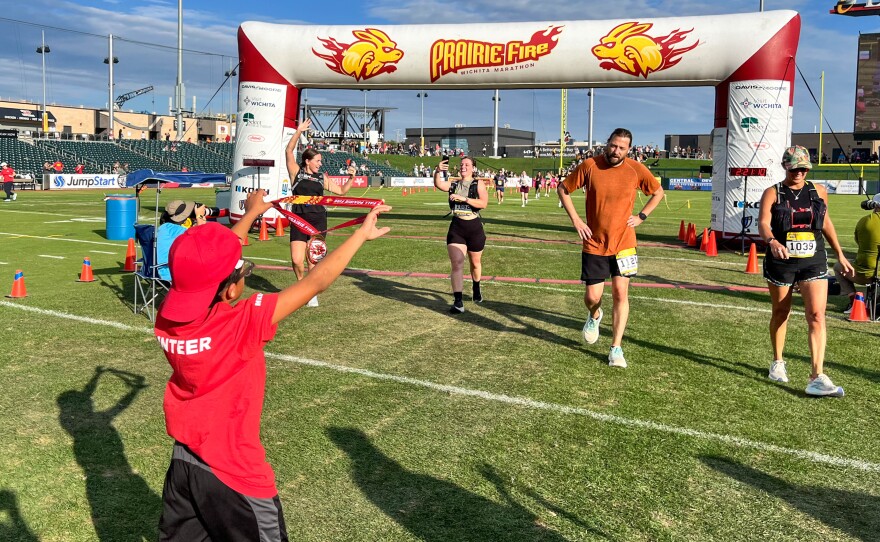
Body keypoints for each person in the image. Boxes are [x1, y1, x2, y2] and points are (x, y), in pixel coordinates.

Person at [155, 189, 390, 540]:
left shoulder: (168, 321)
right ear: (232, 290)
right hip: (234, 474)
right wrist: (360, 233)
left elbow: (207, 265)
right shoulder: (242, 323)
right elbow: (315, 281)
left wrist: (250, 213)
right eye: (243, 271)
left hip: (184, 464)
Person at [557, 128, 664, 368]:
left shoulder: (635, 169)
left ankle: (616, 348)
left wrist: (641, 216)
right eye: (613, 146)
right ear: (608, 143)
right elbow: (563, 189)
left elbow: (658, 192)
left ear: (629, 150)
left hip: (625, 244)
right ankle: (595, 315)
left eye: (622, 148)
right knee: (592, 297)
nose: (616, 151)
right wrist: (576, 220)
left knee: (620, 293)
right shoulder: (589, 165)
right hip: (594, 242)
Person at [758, 145, 852, 397]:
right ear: (785, 167)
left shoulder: (818, 191)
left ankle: (817, 376)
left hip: (814, 260)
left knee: (817, 316)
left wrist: (840, 254)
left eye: (803, 168)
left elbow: (826, 222)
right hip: (782, 261)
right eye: (794, 168)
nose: (799, 173)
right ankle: (778, 361)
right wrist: (772, 241)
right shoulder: (773, 193)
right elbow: (763, 223)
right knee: (781, 312)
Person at [285, 118, 355, 307]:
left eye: (321, 161)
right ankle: (301, 286)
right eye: (317, 161)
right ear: (307, 161)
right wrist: (298, 131)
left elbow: (341, 191)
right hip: (298, 219)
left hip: (318, 219)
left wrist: (350, 178)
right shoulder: (296, 172)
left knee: (312, 259)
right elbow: (288, 151)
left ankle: (310, 292)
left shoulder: (321, 177)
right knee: (297, 259)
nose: (320, 164)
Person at [434, 155, 489, 313]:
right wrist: (437, 171)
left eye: (467, 164)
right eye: (461, 164)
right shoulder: (454, 184)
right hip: (457, 227)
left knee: (475, 263)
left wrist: (464, 199)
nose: (463, 166)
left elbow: (483, 203)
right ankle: (458, 302)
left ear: (473, 168)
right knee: (457, 263)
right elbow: (438, 184)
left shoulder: (478, 184)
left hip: (474, 227)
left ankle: (476, 287)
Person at [834, 193, 880, 313]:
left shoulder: (865, 221)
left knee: (838, 266)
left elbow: (859, 241)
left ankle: (854, 301)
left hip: (866, 274)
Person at [156, 200, 208, 281]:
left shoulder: (164, 228)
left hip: (156, 272)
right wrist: (200, 216)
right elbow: (202, 237)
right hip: (172, 274)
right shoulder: (173, 229)